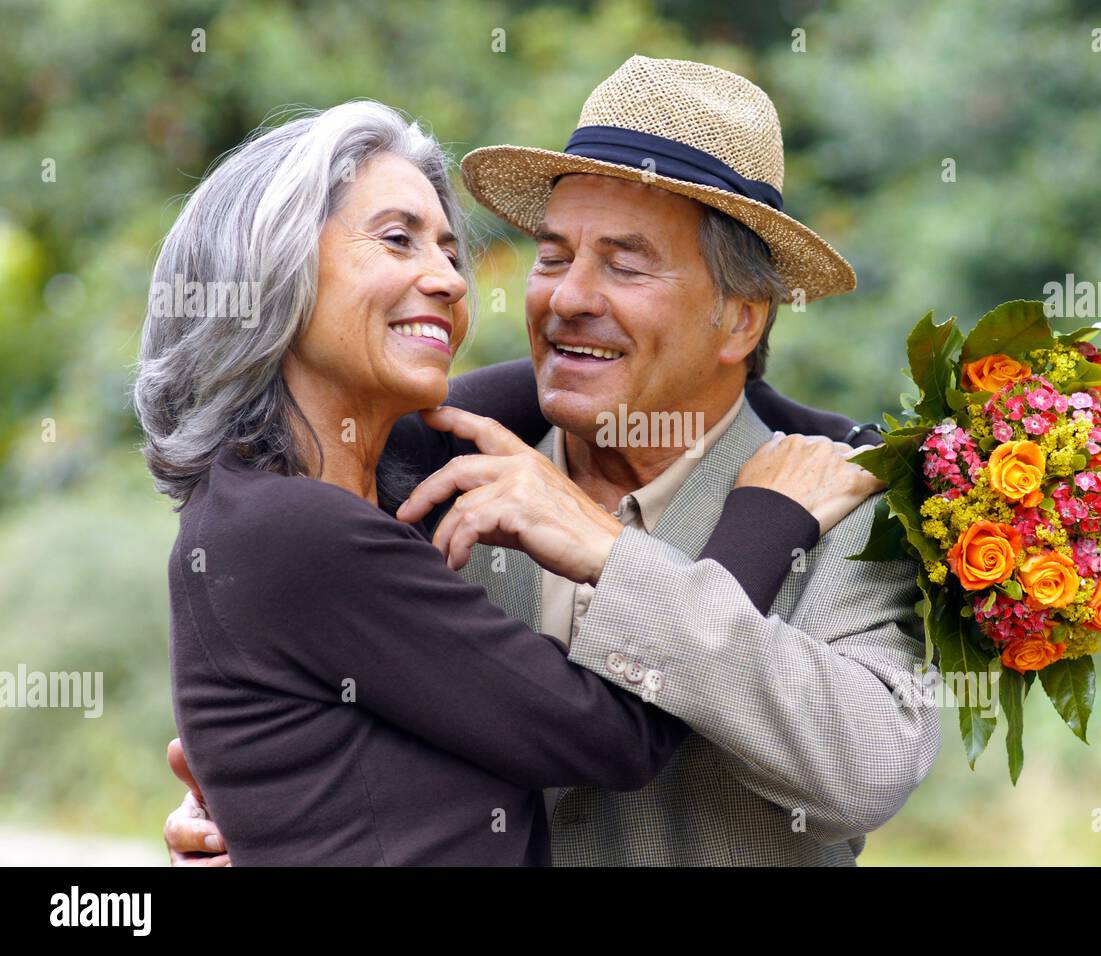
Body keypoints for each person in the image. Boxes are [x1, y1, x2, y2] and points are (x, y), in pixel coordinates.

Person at [166, 57, 941, 867]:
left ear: (741, 320)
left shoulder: (841, 509)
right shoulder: (427, 483)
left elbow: (866, 771)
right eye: (552, 256)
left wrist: (618, 559)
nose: (567, 298)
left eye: (625, 265)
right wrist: (267, 816)